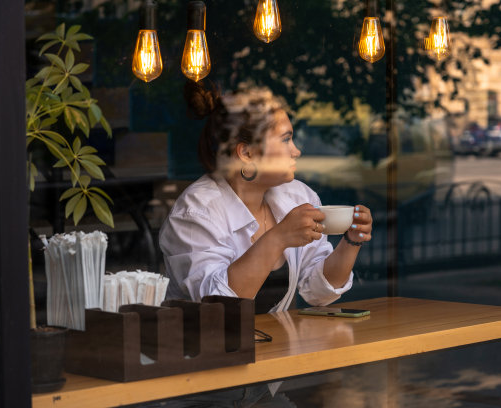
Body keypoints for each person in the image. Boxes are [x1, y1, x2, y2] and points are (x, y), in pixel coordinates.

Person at [156, 82, 372, 407]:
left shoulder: (296, 197)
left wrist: (351, 242)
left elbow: (318, 292)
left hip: (260, 381)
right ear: (247, 153)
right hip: (198, 387)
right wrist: (279, 237)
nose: (296, 150)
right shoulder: (197, 212)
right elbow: (216, 308)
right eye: (286, 139)